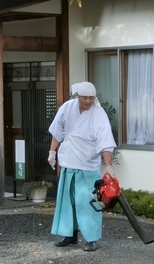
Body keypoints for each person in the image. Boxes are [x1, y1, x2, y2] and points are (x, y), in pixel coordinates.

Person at [47, 82, 116, 252]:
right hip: (69, 162)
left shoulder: (99, 114)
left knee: (88, 202)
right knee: (68, 202)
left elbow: (105, 141)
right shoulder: (67, 107)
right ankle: (69, 235)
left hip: (87, 165)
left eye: (91, 98)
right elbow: (58, 131)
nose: (88, 101)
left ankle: (91, 238)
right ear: (77, 96)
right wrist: (52, 152)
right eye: (84, 97)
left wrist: (108, 166)